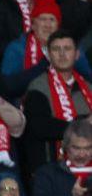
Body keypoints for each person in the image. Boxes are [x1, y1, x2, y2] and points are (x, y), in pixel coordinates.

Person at [22, 31, 92, 180]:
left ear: (77, 54)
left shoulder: (88, 88)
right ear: (49, 55)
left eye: (67, 48)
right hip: (53, 171)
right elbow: (39, 125)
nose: (62, 54)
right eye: (56, 49)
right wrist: (83, 124)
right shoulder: (38, 86)